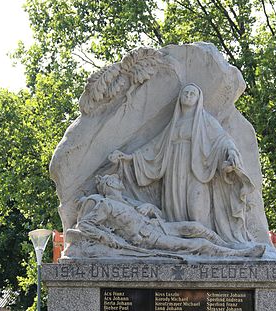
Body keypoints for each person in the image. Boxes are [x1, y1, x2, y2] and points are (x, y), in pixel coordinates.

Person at [108, 83, 256, 244]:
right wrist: (129, 157)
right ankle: (179, 244)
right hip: (174, 169)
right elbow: (155, 146)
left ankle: (208, 245)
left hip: (196, 169)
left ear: (199, 99)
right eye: (185, 93)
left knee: (196, 207)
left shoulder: (205, 121)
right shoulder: (173, 124)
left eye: (192, 93)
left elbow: (222, 139)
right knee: (174, 210)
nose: (188, 95)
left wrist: (232, 152)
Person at [65, 174, 265, 259]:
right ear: (109, 185)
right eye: (116, 181)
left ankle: (230, 245)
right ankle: (238, 256)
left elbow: (157, 212)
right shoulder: (104, 204)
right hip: (147, 239)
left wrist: (150, 207)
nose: (120, 182)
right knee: (198, 245)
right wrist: (106, 237)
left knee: (196, 228)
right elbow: (85, 225)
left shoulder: (127, 201)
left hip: (158, 226)